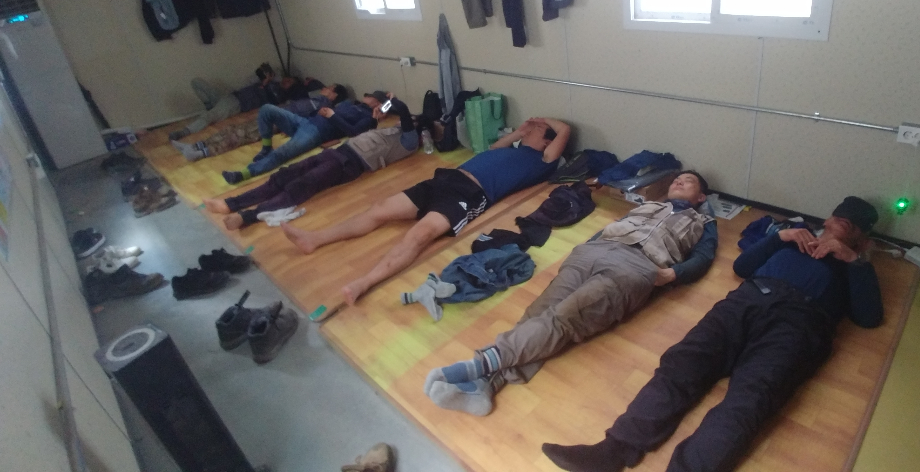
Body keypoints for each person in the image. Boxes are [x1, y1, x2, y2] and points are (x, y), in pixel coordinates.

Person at [540, 196, 885, 472]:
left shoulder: (855, 267)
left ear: (861, 238)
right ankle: (614, 450)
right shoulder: (794, 239)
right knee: (682, 364)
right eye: (838, 219)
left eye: (850, 226)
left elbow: (869, 318)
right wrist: (779, 237)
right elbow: (742, 267)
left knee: (749, 400)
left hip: (800, 324)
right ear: (827, 220)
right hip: (748, 300)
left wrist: (854, 261)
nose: (840, 225)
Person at [425, 172, 717, 416]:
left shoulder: (702, 223)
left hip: (636, 266)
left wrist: (672, 274)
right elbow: (612, 228)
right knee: (540, 310)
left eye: (688, 181)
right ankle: (486, 385)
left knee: (567, 316)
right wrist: (586, 246)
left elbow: (704, 258)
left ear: (701, 197)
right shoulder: (649, 205)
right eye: (677, 179)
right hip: (593, 252)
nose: (679, 181)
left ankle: (481, 365)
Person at [282, 117, 571, 304]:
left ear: (546, 140)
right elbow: (495, 147)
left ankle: (364, 283)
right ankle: (313, 239)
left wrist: (543, 120)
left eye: (534, 130)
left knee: (421, 235)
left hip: (471, 194)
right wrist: (521, 131)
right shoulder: (511, 149)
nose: (526, 130)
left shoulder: (542, 160)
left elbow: (565, 130)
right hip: (446, 179)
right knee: (380, 209)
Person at [204, 92, 419, 229]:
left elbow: (402, 113)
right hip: (337, 151)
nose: (401, 121)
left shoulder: (409, 142)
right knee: (284, 175)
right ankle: (230, 203)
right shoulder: (387, 128)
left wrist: (390, 103)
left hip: (350, 163)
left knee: (302, 184)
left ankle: (248, 216)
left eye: (411, 121)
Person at [219, 85, 381, 184]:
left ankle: (244, 174)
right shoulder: (349, 103)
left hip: (316, 133)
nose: (366, 96)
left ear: (377, 103)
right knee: (267, 109)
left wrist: (332, 116)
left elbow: (353, 132)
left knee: (282, 153)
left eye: (370, 97)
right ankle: (266, 148)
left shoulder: (367, 117)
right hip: (305, 121)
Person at [171, 83, 348, 162]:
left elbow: (311, 122)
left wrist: (291, 128)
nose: (324, 88)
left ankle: (200, 153)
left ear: (334, 95)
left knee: (239, 136)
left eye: (329, 88)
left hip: (277, 121)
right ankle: (195, 146)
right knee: (233, 128)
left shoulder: (324, 106)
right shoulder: (316, 99)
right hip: (274, 113)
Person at [168, 68, 325, 140]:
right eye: (286, 78)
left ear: (292, 86)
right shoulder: (274, 82)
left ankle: (184, 132)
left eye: (289, 82)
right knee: (197, 82)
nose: (285, 81)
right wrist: (264, 77)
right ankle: (210, 106)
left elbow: (269, 97)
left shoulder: (279, 95)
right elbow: (249, 82)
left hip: (237, 103)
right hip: (230, 95)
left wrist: (264, 84)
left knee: (209, 116)